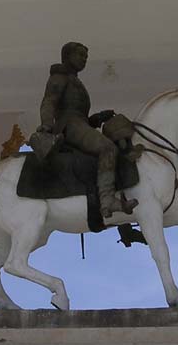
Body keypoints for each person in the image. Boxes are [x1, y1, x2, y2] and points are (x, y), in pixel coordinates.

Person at [36, 42, 138, 217]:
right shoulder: (59, 77)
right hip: (69, 125)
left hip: (78, 123)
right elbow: (49, 102)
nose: (84, 59)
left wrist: (96, 118)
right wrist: (46, 124)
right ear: (68, 56)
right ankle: (107, 199)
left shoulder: (75, 80)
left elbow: (80, 116)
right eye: (80, 55)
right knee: (108, 148)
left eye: (86, 57)